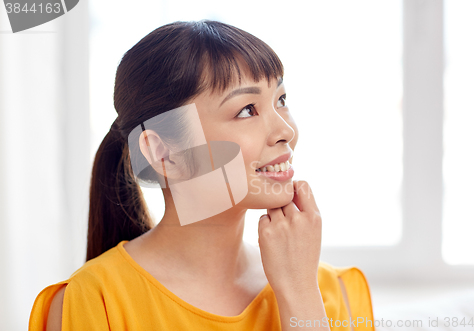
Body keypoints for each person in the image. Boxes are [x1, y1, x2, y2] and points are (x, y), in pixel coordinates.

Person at [29, 20, 375, 330]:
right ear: (163, 153)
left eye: (281, 99)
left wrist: (299, 297)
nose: (285, 130)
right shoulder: (94, 301)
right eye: (246, 110)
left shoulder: (331, 290)